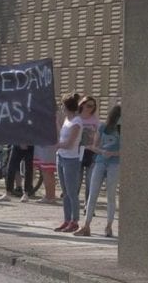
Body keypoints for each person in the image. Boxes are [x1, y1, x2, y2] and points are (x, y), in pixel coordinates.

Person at [74, 104, 121, 237]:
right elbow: (95, 146)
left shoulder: (124, 130)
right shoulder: (102, 127)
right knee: (93, 193)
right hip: (100, 161)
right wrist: (102, 151)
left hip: (115, 163)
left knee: (111, 195)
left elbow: (126, 150)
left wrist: (114, 153)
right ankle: (86, 225)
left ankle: (109, 226)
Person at [53, 93, 83, 233]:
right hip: (61, 157)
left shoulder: (77, 122)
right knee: (64, 192)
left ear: (67, 107)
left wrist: (57, 145)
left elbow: (70, 144)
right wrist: (56, 123)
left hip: (71, 159)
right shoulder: (67, 120)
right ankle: (67, 219)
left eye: (62, 105)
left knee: (72, 192)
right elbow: (62, 135)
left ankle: (75, 220)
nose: (61, 107)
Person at [77, 96, 100, 213]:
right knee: (77, 179)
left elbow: (98, 134)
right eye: (88, 105)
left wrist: (96, 146)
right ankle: (75, 204)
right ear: (82, 105)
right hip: (78, 151)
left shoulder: (95, 119)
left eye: (92, 106)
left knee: (90, 180)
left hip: (91, 151)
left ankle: (88, 205)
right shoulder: (77, 118)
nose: (90, 108)